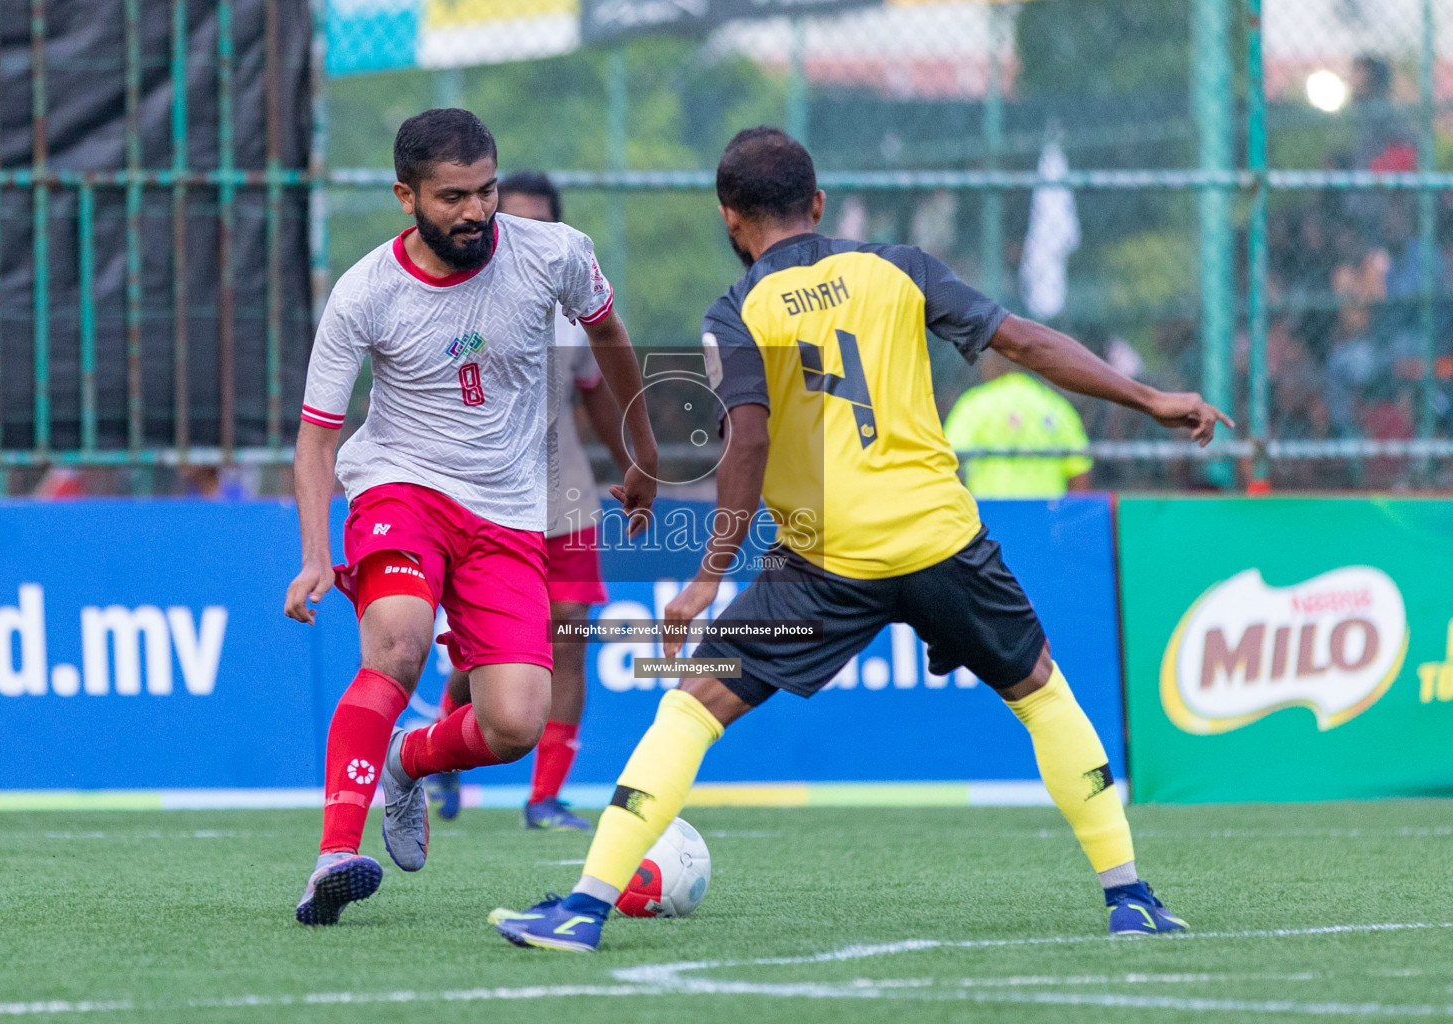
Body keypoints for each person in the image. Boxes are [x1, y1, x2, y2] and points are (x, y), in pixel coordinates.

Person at [491, 126, 1231, 952]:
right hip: (941, 540)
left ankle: (586, 910)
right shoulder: (901, 267)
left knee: (692, 706)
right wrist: (1150, 396)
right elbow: (1023, 341)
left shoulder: (736, 311)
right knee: (1042, 692)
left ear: (730, 219)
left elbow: (748, 441)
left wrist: (707, 576)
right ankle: (1128, 895)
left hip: (824, 561)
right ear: (817, 205)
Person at [283, 109, 657, 926]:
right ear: (405, 196)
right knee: (400, 642)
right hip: (400, 489)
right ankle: (334, 856)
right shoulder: (365, 293)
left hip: (510, 511)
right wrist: (315, 555)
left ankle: (406, 762)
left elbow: (612, 339)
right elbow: (317, 437)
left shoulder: (555, 252)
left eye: (486, 190)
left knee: (516, 722)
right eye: (453, 196)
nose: (476, 212)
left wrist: (644, 451)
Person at [429, 171, 632, 831]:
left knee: (569, 632)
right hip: (484, 494)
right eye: (511, 220)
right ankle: (443, 754)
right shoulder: (457, 303)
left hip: (563, 489)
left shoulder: (575, 307)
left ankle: (544, 797)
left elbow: (597, 391)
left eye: (541, 223)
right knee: (483, 652)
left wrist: (634, 464)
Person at [943, 349, 1093, 499]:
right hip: (1047, 515)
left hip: (989, 514)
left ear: (991, 363)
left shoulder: (974, 404)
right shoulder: (1054, 404)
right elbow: (1080, 469)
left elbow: (947, 461)